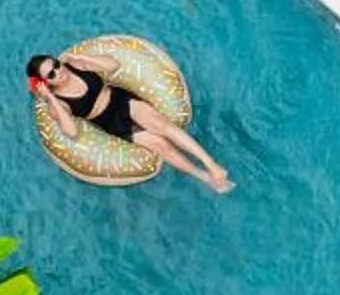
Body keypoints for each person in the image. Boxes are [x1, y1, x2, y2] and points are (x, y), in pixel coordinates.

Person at [27, 50, 234, 193]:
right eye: (51, 74)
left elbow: (113, 64)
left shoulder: (75, 65)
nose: (59, 72)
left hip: (121, 99)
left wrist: (77, 56)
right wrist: (50, 97)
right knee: (161, 145)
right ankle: (206, 178)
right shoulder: (59, 104)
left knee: (163, 126)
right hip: (110, 121)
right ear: (45, 82)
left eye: (56, 64)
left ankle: (211, 164)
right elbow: (71, 132)